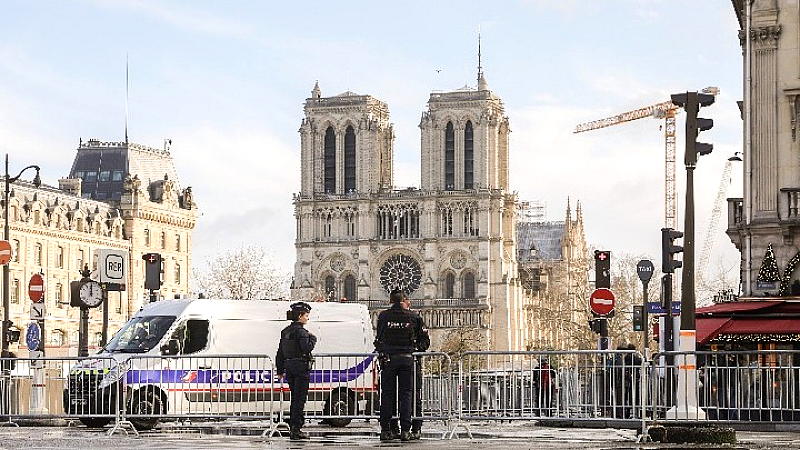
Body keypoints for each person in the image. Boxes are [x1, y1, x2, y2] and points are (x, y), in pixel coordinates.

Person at [375, 288, 426, 442]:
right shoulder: (413, 316)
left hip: (389, 359)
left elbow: (379, 339)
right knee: (406, 395)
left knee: (387, 395)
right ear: (404, 301)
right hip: (407, 359)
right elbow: (423, 342)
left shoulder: (383, 316)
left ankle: (385, 430)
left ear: (390, 301)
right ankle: (405, 430)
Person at [389, 296, 430, 440]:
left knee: (413, 396)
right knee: (396, 395)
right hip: (400, 362)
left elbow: (425, 342)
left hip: (411, 363)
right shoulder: (389, 317)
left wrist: (415, 350)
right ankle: (395, 427)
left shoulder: (415, 318)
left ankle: (415, 428)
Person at [275, 301, 317, 440]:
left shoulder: (285, 331)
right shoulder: (302, 332)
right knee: (300, 399)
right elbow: (306, 348)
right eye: (306, 315)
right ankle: (296, 428)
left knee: (295, 398)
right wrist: (313, 339)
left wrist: (280, 369)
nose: (307, 318)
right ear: (300, 316)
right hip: (301, 368)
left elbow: (280, 352)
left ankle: (295, 426)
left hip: (289, 368)